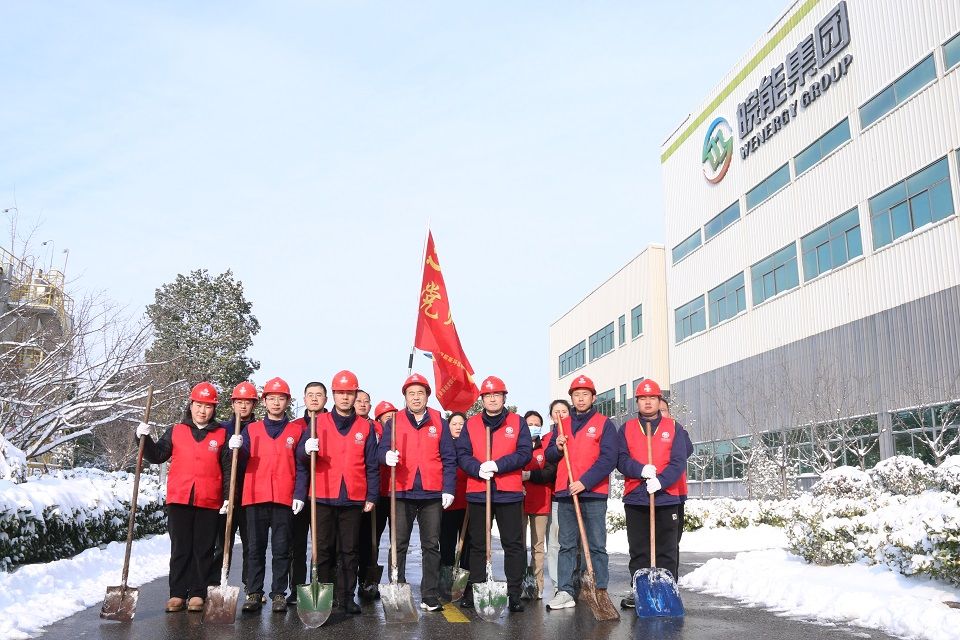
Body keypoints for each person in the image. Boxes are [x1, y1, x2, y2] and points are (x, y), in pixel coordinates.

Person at [137, 382, 229, 613]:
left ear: (214, 409)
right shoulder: (176, 430)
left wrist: (228, 497)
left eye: (208, 406)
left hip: (210, 499)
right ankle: (177, 593)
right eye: (198, 405)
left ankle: (198, 592)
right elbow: (157, 456)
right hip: (179, 497)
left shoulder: (221, 434)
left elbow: (228, 469)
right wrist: (143, 439)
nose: (202, 411)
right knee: (180, 547)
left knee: (204, 548)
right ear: (191, 405)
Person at [295, 370, 378, 614]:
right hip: (322, 494)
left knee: (349, 551)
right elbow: (300, 458)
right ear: (333, 395)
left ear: (355, 395)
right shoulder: (317, 422)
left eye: (349, 393)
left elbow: (372, 464)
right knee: (322, 549)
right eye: (340, 393)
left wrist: (372, 495)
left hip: (353, 496)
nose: (345, 397)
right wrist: (305, 449)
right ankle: (323, 596)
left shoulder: (365, 427)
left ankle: (346, 597)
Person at [378, 373, 457, 612]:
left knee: (431, 545)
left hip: (431, 493)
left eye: (420, 393)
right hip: (402, 491)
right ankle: (398, 587)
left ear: (427, 396)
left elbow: (449, 457)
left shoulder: (439, 421)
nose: (415, 397)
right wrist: (386, 455)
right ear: (405, 397)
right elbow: (380, 450)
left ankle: (429, 595)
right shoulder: (394, 421)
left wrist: (448, 488)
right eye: (411, 393)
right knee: (398, 544)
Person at [455, 376, 532, 613]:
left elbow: (524, 453)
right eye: (487, 395)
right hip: (479, 492)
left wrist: (499, 465)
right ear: (482, 399)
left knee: (513, 544)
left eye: (496, 395)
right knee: (478, 544)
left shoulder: (517, 422)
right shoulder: (471, 424)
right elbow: (462, 454)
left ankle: (514, 592)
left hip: (509, 492)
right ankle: (476, 588)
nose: (492, 399)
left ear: (504, 397)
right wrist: (477, 468)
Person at [545, 375, 618, 611]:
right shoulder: (561, 424)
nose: (581, 398)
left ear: (593, 397)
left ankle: (599, 588)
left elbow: (609, 459)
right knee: (566, 545)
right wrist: (557, 447)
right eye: (576, 395)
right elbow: (548, 456)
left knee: (596, 544)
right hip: (566, 493)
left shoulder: (604, 423)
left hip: (593, 493)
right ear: (572, 398)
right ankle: (565, 590)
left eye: (585, 394)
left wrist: (584, 482)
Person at [617, 379, 690, 609]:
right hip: (636, 496)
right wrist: (639, 470)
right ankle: (639, 590)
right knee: (639, 549)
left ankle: (667, 591)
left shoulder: (674, 427)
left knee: (667, 549)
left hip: (666, 496)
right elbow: (621, 459)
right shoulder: (626, 428)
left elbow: (679, 461)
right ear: (637, 402)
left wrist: (661, 481)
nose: (647, 402)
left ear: (659, 401)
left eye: (652, 398)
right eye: (643, 398)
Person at [231, 377, 302, 613]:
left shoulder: (296, 431)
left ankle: (279, 593)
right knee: (255, 548)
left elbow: (302, 466)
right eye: (271, 398)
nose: (276, 403)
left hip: (284, 497)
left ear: (288, 401)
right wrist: (236, 448)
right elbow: (240, 462)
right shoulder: (251, 430)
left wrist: (299, 494)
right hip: (255, 496)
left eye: (281, 398)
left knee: (282, 549)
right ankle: (254, 591)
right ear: (264, 401)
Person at [210, 381, 259, 590]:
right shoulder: (221, 429)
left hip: (250, 495)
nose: (243, 406)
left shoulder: (258, 430)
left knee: (251, 545)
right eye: (239, 402)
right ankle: (215, 583)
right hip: (225, 495)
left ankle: (251, 587)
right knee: (221, 543)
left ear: (254, 405)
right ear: (232, 404)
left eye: (247, 402)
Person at [287, 381, 328, 603]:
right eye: (310, 395)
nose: (314, 398)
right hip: (298, 494)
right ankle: (297, 588)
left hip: (324, 492)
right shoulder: (294, 426)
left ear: (326, 399)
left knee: (323, 544)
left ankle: (322, 586)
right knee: (297, 543)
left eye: (318, 395)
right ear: (304, 399)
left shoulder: (331, 423)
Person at [357, 399, 398, 600]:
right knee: (368, 539)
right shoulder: (368, 429)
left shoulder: (393, 430)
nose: (390, 419)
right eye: (387, 416)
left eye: (393, 416)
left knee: (394, 539)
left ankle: (393, 579)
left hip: (393, 492)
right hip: (373, 492)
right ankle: (364, 580)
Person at [521, 409, 556, 600]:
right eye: (529, 424)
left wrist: (529, 476)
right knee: (518, 544)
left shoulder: (546, 448)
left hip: (540, 500)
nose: (533, 427)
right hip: (518, 500)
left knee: (538, 546)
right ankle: (519, 583)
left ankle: (537, 584)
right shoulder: (517, 445)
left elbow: (550, 472)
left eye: (536, 425)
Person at [438, 411, 470, 589]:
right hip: (448, 503)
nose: (458, 427)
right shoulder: (443, 444)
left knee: (467, 543)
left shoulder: (470, 445)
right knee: (447, 542)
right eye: (454, 424)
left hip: (468, 502)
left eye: (461, 424)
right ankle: (446, 575)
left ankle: (464, 579)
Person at [544, 399, 569, 598]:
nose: (560, 415)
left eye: (564, 411)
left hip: (576, 494)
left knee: (572, 543)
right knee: (554, 543)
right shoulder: (548, 438)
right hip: (556, 496)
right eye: (556, 411)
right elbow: (547, 463)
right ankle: (557, 583)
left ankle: (574, 580)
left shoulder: (576, 433)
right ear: (551, 416)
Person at [660, 397, 693, 547]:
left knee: (673, 541)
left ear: (669, 413)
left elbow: (687, 450)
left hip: (675, 492)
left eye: (663, 410)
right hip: (648, 494)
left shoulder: (677, 430)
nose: (659, 414)